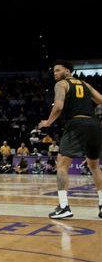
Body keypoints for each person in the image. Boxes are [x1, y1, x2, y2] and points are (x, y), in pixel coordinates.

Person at [38, 60, 102, 219]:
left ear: (68, 71)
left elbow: (58, 106)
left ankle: (64, 206)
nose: (55, 73)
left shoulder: (61, 84)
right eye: (54, 71)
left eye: (58, 70)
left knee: (62, 164)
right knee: (94, 166)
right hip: (93, 124)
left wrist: (48, 122)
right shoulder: (85, 84)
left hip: (76, 123)